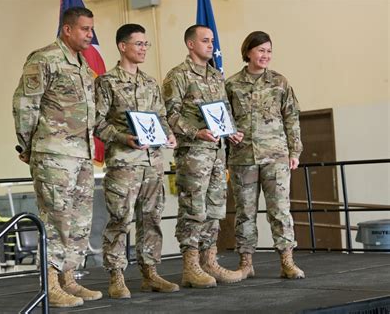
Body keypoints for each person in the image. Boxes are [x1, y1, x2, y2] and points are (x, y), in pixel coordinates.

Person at [12, 7, 103, 308]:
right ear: (67, 30)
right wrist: (29, 146)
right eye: (85, 29)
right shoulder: (44, 59)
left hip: (82, 154)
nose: (90, 35)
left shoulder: (83, 66)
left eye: (91, 29)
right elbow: (25, 105)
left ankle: (69, 279)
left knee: (79, 222)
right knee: (56, 220)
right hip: (54, 154)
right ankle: (49, 284)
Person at [94, 23, 179, 299]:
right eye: (138, 44)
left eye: (146, 44)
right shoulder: (107, 82)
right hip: (124, 163)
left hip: (152, 162)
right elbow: (97, 122)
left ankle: (150, 273)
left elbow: (162, 117)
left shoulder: (150, 83)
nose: (143, 49)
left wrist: (169, 135)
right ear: (123, 46)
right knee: (120, 219)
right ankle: (117, 276)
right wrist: (122, 137)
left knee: (151, 218)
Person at [162, 25, 242, 288]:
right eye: (205, 40)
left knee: (215, 208)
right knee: (194, 209)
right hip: (193, 153)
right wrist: (196, 132)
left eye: (212, 41)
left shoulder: (217, 76)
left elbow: (223, 111)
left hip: (217, 153)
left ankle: (209, 261)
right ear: (190, 44)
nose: (210, 44)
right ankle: (190, 266)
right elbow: (170, 116)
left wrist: (230, 132)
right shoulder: (178, 76)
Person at [225, 31, 305, 280]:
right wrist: (228, 134)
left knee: (280, 210)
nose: (265, 55)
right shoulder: (232, 84)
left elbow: (291, 117)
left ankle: (287, 261)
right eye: (261, 50)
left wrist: (295, 151)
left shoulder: (280, 82)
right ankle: (246, 262)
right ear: (248, 52)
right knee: (245, 212)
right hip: (242, 158)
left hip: (276, 156)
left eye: (269, 51)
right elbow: (223, 119)